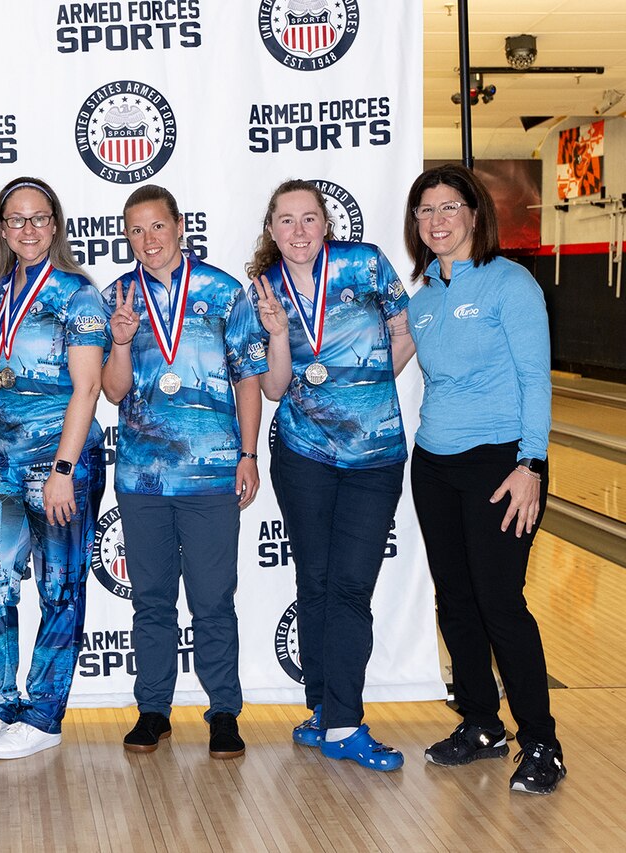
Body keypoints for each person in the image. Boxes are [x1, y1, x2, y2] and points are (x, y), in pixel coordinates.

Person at [403, 163, 564, 794]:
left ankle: (542, 740)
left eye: (449, 208)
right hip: (434, 464)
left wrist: (533, 465)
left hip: (502, 463)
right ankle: (480, 723)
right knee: (456, 601)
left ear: (474, 214)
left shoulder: (510, 284)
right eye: (425, 212)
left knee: (501, 603)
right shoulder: (422, 302)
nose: (437, 221)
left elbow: (535, 380)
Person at [247, 179, 414, 772]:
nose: (298, 231)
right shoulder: (262, 290)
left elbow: (404, 332)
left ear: (327, 224)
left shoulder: (365, 264)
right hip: (303, 455)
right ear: (271, 229)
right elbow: (271, 387)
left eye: (309, 219)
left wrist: (363, 393)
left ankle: (342, 720)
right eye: (286, 220)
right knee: (314, 582)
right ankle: (324, 711)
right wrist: (273, 333)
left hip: (374, 456)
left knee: (349, 586)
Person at [101, 185, 265, 758]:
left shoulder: (224, 292)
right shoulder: (117, 296)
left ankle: (223, 711)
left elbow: (248, 377)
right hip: (143, 477)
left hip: (212, 474)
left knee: (214, 598)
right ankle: (153, 709)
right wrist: (119, 343)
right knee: (150, 599)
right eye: (136, 231)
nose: (148, 240)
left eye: (157, 227)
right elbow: (113, 390)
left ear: (179, 226)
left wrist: (248, 454)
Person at [0, 177, 108, 760]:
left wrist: (65, 468)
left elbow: (88, 387)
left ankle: (44, 714)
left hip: (61, 462)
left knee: (59, 588)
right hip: (3, 461)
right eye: (15, 220)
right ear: (1, 229)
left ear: (55, 224)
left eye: (38, 218)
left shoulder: (77, 294)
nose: (27, 229)